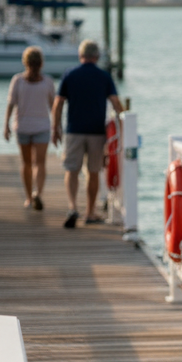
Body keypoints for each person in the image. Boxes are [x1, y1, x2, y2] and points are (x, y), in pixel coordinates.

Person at [51, 39, 123, 228]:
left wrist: (55, 128)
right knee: (93, 172)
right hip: (97, 132)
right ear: (97, 57)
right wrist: (124, 125)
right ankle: (90, 212)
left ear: (80, 55)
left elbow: (58, 104)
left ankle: (73, 207)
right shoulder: (104, 76)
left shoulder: (70, 74)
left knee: (71, 170)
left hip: (74, 131)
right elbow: (116, 103)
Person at [4, 46, 54, 210]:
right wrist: (57, 127)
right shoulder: (48, 81)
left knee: (26, 163)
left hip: (23, 127)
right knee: (39, 163)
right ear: (41, 63)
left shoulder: (17, 80)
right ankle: (37, 193)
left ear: (25, 62)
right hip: (42, 127)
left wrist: (6, 126)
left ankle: (28, 198)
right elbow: (54, 107)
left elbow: (10, 105)